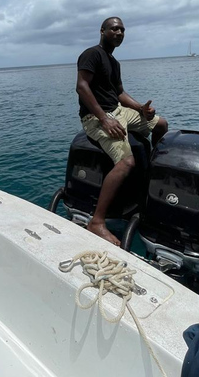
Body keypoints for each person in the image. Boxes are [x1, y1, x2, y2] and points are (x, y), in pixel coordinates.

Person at [75, 16, 168, 245]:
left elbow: (119, 94)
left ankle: (151, 171)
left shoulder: (114, 63)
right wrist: (104, 119)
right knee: (126, 162)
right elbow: (81, 86)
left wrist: (140, 109)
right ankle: (97, 222)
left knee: (162, 124)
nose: (119, 33)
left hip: (118, 111)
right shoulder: (92, 54)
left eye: (123, 30)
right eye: (114, 29)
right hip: (96, 118)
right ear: (102, 30)